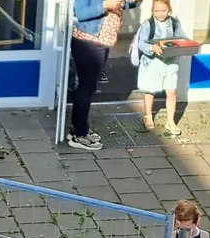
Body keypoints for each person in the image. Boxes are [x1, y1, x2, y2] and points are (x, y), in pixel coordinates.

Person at [68, 0, 141, 151]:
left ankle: (78, 129)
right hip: (89, 42)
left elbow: (122, 4)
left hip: (102, 42)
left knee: (88, 87)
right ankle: (79, 135)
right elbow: (80, 13)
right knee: (86, 87)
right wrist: (105, 6)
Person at [134, 0, 184, 136]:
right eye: (157, 11)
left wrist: (181, 46)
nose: (160, 14)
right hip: (153, 63)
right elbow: (141, 43)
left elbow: (181, 38)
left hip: (170, 62)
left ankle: (170, 121)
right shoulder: (148, 24)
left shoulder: (174, 23)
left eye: (163, 11)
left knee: (172, 91)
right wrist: (151, 47)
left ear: (169, 10)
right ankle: (148, 115)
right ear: (152, 11)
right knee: (151, 90)